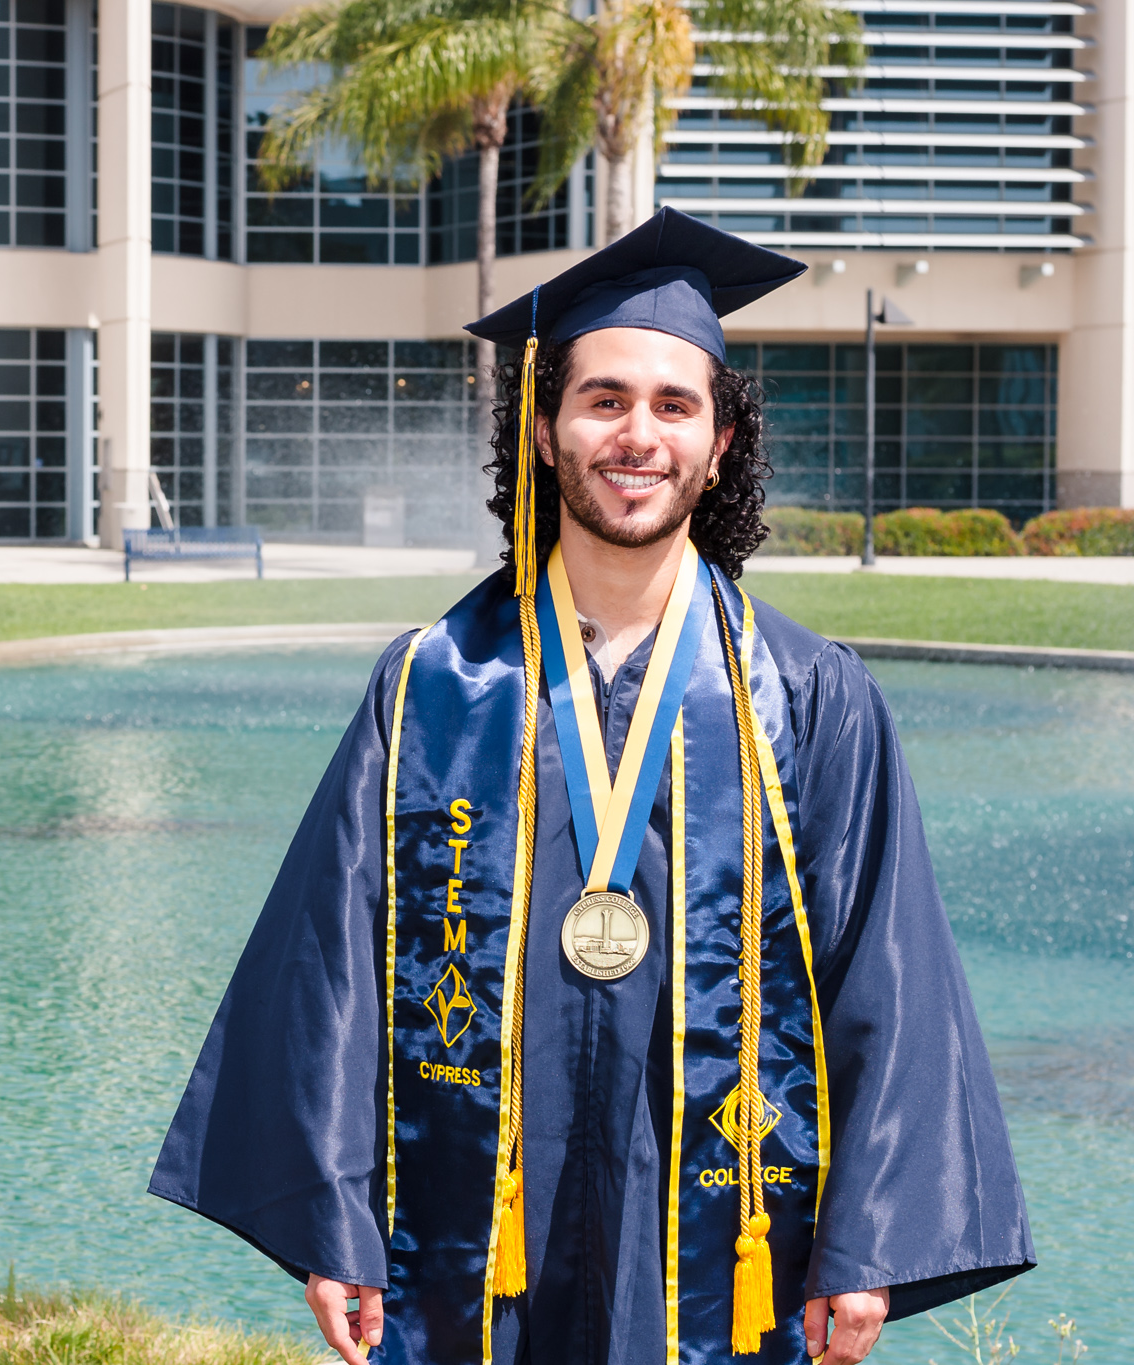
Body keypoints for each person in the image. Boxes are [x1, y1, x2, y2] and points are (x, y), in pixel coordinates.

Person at [148, 209, 1031, 1365]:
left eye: (674, 405)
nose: (637, 435)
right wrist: (335, 1219)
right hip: (471, 1225)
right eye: (603, 399)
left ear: (719, 445)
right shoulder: (432, 687)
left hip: (728, 1231)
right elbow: (333, 961)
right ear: (545, 429)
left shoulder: (808, 697)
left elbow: (886, 969)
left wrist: (863, 1246)